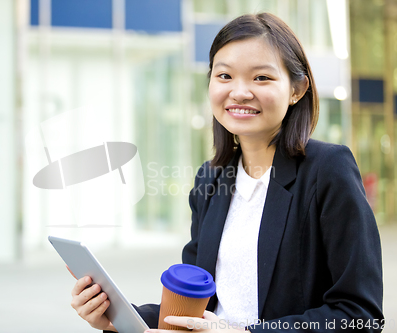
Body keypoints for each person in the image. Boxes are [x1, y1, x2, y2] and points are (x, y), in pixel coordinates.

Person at [69, 13, 384, 333]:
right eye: (224, 76)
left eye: (261, 78)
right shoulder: (210, 179)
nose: (240, 92)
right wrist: (117, 317)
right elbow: (195, 306)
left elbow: (360, 316)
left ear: (297, 89)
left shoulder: (327, 170)